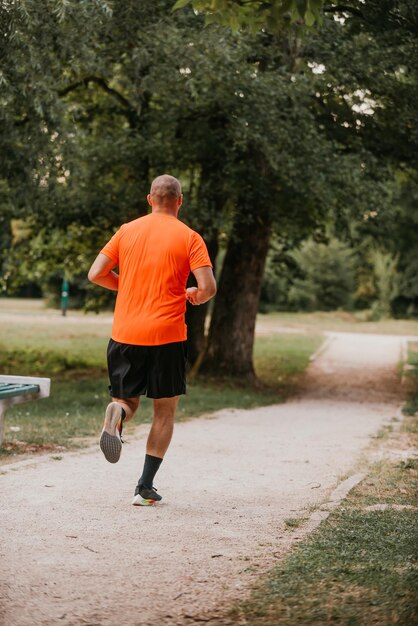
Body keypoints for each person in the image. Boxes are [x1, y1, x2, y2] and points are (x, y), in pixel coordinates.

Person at [88, 174, 216, 506]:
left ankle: (115, 412)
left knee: (128, 402)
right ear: (179, 201)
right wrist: (194, 295)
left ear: (150, 199)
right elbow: (208, 287)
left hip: (125, 334)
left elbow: (96, 273)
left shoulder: (127, 230)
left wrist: (127, 286)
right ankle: (144, 487)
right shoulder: (189, 237)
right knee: (165, 412)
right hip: (167, 336)